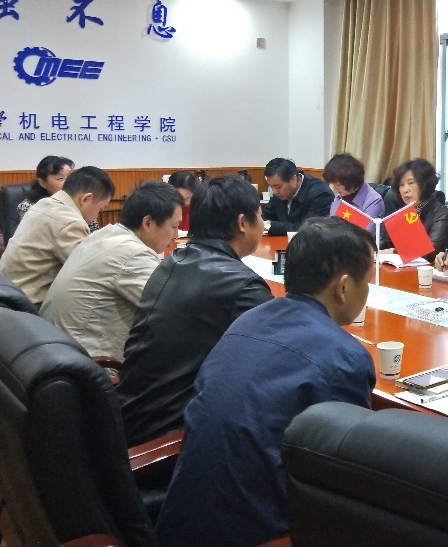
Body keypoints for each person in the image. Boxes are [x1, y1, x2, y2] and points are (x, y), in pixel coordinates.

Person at [155, 217, 376, 547]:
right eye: (367, 282)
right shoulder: (345, 358)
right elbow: (349, 480)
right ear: (343, 288)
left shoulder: (249, 319)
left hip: (177, 526)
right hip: (259, 533)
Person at [118, 175, 274, 446]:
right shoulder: (243, 286)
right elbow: (274, 365)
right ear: (242, 223)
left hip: (130, 414)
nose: (262, 224)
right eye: (260, 215)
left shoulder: (173, 261)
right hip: (171, 436)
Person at [39, 182, 184, 361]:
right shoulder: (133, 255)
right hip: (89, 363)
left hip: (56, 348)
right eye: (174, 226)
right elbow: (175, 310)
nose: (176, 235)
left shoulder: (106, 234)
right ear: (148, 223)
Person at [0, 166, 114, 305]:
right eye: (100, 209)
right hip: (27, 303)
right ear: (85, 199)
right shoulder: (70, 222)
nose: (97, 216)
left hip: (7, 290)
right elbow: (89, 272)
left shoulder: (44, 203)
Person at [379, 158, 448, 262]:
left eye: (411, 183)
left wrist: (393, 252)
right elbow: (387, 244)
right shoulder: (403, 211)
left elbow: (430, 253)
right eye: (401, 185)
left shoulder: (441, 214)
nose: (405, 190)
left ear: (424, 184)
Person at [263, 157, 334, 235]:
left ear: (294, 179)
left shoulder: (321, 193)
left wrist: (271, 226)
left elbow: (309, 229)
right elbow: (266, 216)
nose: (275, 191)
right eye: (271, 186)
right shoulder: (279, 192)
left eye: (278, 187)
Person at [323, 153, 384, 233]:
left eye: (338, 185)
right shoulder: (340, 195)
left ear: (351, 181)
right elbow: (331, 223)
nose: (335, 188)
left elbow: (366, 234)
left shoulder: (374, 201)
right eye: (333, 184)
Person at [16, 155, 74, 219]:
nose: (68, 181)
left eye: (70, 176)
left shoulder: (77, 199)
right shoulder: (29, 206)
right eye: (60, 178)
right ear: (42, 183)